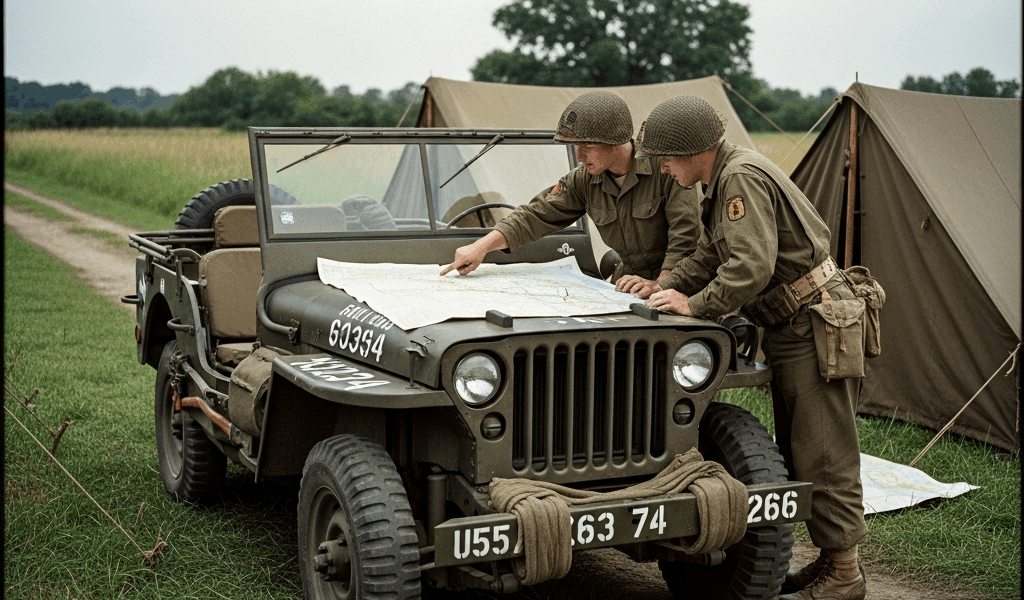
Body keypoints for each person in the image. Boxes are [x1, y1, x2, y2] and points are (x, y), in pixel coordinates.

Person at [624, 95, 868, 600]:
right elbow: (714, 252)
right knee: (804, 447)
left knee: (824, 451)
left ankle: (845, 573)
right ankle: (832, 562)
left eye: (666, 158)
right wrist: (667, 286)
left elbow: (749, 267)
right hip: (793, 321)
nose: (663, 169)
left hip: (812, 319)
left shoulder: (738, 179)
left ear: (692, 150)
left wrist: (696, 306)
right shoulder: (723, 177)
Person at [440, 90, 698, 285]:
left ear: (612, 143)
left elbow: (686, 237)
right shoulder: (585, 180)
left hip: (680, 286)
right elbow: (536, 214)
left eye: (585, 147)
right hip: (628, 285)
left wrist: (662, 285)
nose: (578, 156)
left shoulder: (666, 167)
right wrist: (481, 247)